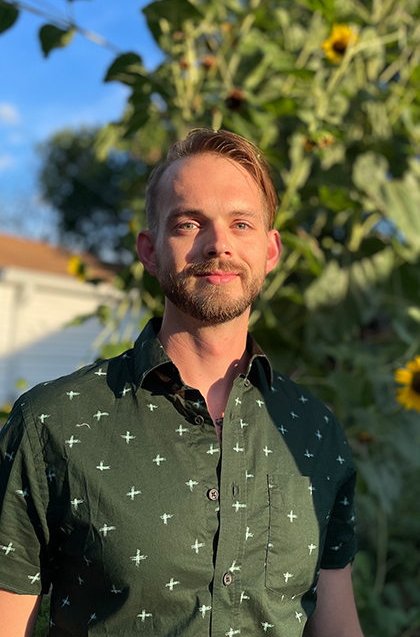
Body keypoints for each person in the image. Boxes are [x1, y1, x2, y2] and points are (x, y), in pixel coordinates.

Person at [0, 129, 363, 637]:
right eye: (190, 223)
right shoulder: (51, 426)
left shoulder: (317, 435)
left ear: (270, 250)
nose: (219, 244)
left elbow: (338, 626)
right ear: (149, 250)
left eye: (242, 224)